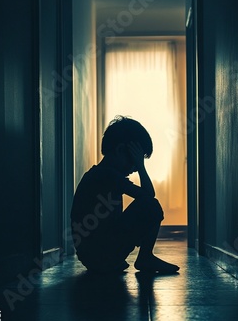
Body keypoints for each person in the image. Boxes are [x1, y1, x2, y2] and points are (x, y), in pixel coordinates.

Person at [70, 116, 180, 274]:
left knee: (146, 204)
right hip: (100, 256)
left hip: (90, 257)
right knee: (151, 206)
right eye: (135, 160)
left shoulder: (99, 174)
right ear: (120, 150)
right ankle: (145, 257)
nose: (135, 168)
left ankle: (121, 259)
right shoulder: (107, 175)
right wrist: (142, 168)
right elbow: (149, 196)